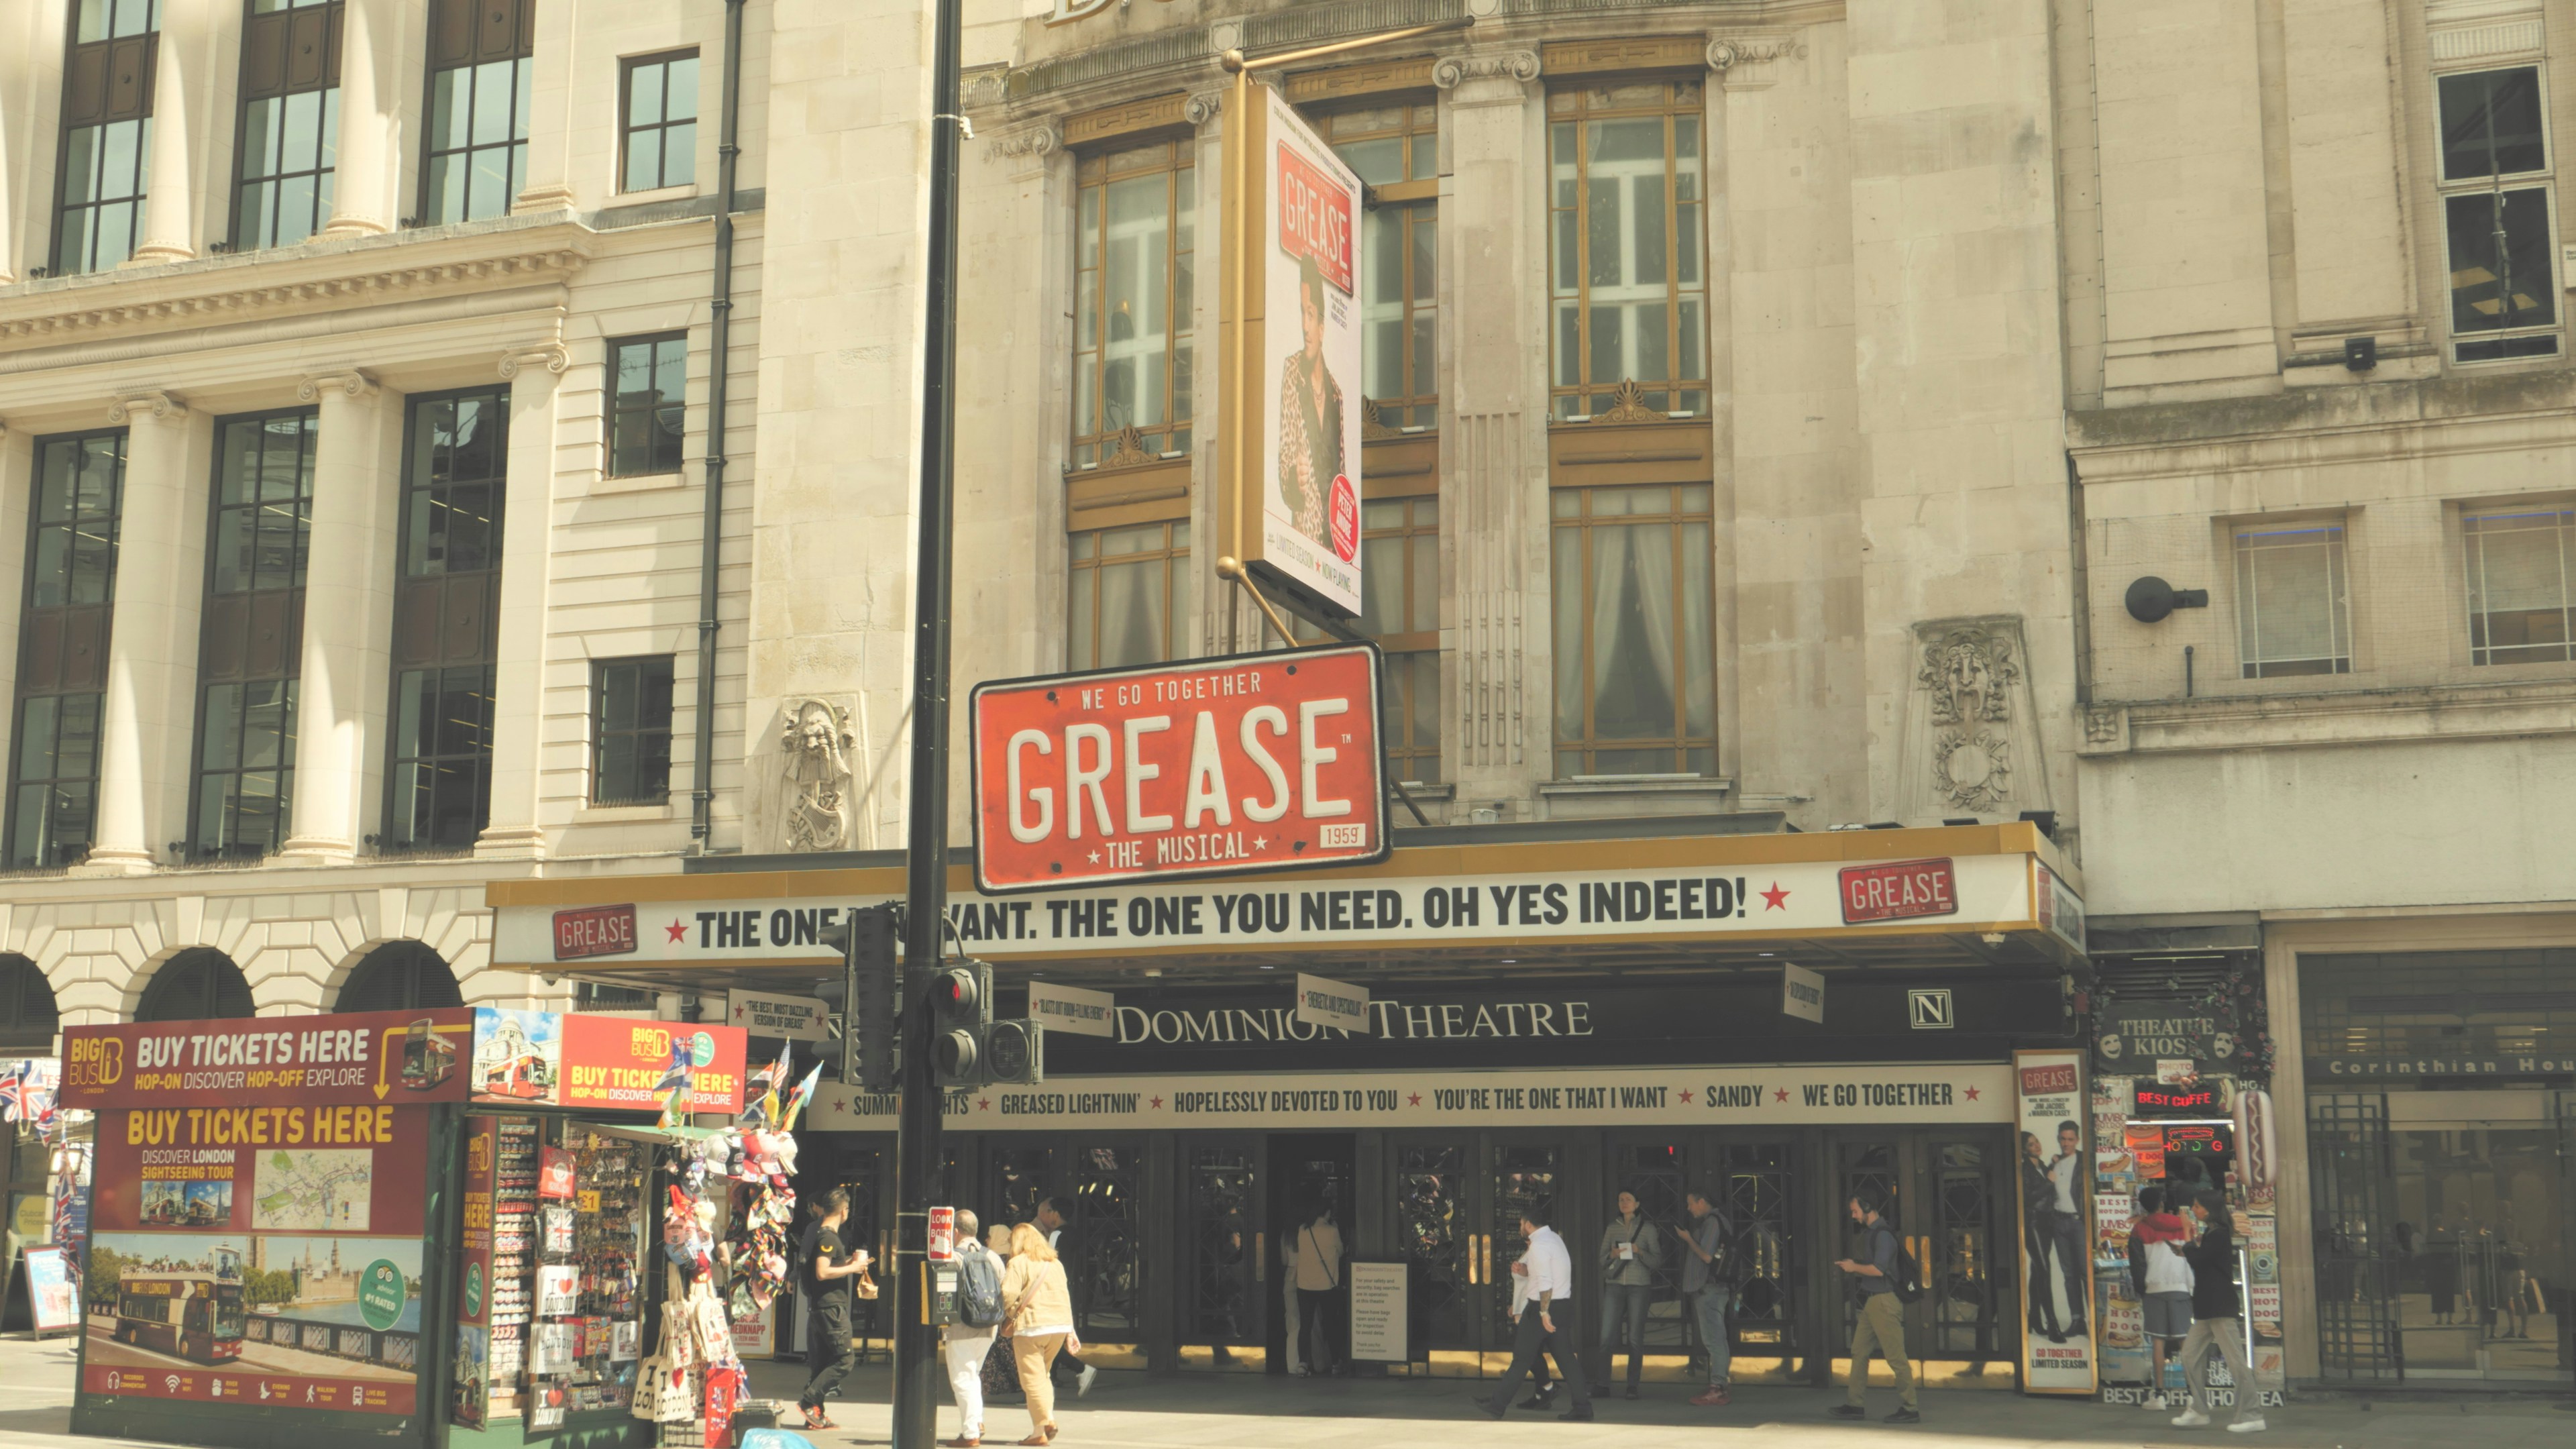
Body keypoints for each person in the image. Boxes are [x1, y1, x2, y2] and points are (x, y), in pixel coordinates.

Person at [1472, 1204, 1593, 1422]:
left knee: (1521, 1358)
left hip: (1542, 1307)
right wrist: (1525, 1276)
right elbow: (1543, 1275)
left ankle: (1497, 1405)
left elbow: (1546, 1282)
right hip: (1563, 1304)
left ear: (1528, 1224)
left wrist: (1544, 1312)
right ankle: (1583, 1407)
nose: (1520, 1228)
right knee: (1567, 1360)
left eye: (1520, 1224)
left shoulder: (1539, 1245)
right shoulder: (1555, 1239)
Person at [2169, 1193, 2265, 1435]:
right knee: (2190, 1355)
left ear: (2208, 1211)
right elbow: (2202, 1259)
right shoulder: (2213, 1234)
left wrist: (2187, 1236)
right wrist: (2189, 1246)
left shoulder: (2220, 1233)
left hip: (2220, 1308)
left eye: (2197, 1205)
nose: (2193, 1208)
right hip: (2206, 1309)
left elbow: (2200, 1260)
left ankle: (2252, 1414)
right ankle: (2199, 1409)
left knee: (2236, 1363)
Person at [1275, 252, 1346, 548]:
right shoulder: (1293, 371)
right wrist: (1295, 478)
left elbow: (1341, 474)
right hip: (1304, 544)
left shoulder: (1337, 393)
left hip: (1333, 547)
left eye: (1311, 314)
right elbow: (1285, 458)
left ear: (1322, 327)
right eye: (1302, 312)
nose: (1305, 326)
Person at [1829, 1191, 1919, 1424]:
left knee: (1896, 1357)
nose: (1853, 1215)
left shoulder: (1883, 1235)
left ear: (1868, 1207)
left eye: (1855, 1210)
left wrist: (1854, 1267)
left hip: (1884, 1301)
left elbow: (1879, 1269)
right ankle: (1854, 1404)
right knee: (1859, 1352)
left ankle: (1911, 1408)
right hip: (1873, 1301)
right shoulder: (1874, 1233)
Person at [798, 1189, 869, 1431]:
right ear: (843, 1211)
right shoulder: (828, 1237)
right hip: (831, 1309)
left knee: (821, 1364)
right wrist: (852, 1268)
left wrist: (849, 1263)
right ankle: (808, 1402)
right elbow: (822, 1272)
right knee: (844, 1360)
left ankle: (815, 1415)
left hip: (819, 1308)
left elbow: (825, 1268)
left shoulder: (820, 1235)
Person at [1002, 1222, 1077, 1446]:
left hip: (1031, 1327)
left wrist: (1011, 1311)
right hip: (1058, 1327)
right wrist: (1070, 1331)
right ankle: (1038, 1434)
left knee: (1031, 1381)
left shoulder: (1018, 1263)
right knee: (1043, 1377)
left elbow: (1007, 1294)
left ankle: (1047, 1421)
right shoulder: (1055, 1264)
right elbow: (1065, 1296)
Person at [2127, 1186, 2194, 1409]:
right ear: (2162, 1203)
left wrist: (2142, 1290)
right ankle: (2192, 1395)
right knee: (2185, 1343)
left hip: (2154, 1288)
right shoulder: (2183, 1224)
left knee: (2158, 1342)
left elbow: (2137, 1264)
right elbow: (2194, 1254)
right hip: (2181, 1286)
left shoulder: (2139, 1229)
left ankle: (2159, 1396)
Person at [1593, 1190, 1662, 1399]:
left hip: (1639, 1286)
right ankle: (1603, 1384)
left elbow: (1657, 1261)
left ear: (1637, 1204)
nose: (1624, 1203)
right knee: (1606, 1337)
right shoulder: (1613, 1227)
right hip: (1614, 1285)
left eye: (1628, 1199)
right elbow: (1601, 1259)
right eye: (1621, 1199)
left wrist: (1639, 1251)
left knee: (1634, 1337)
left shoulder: (1648, 1229)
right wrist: (1612, 1254)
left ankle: (1632, 1385)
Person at [945, 1209, 1003, 1448]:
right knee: (972, 1377)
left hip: (962, 1327)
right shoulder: (993, 1256)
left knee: (962, 1379)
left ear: (955, 1232)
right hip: (989, 1326)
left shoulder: (953, 1257)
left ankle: (970, 1435)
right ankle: (976, 1422)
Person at [1676, 1187, 1734, 1407]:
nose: (1689, 1208)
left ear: (1702, 1202)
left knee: (1714, 1340)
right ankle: (1719, 1385)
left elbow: (1707, 1256)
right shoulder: (1719, 1221)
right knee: (1716, 1338)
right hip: (1713, 1289)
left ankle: (1718, 1388)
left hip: (1709, 1289)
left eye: (1691, 1203)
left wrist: (1688, 1238)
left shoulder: (1712, 1222)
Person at [2046, 1120, 2091, 1340]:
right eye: (2063, 1138)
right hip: (2059, 1222)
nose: (2066, 1143)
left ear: (2077, 1140)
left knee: (2085, 1273)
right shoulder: (2055, 1163)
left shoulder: (2084, 1161)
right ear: (2058, 1139)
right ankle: (2077, 1321)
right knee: (2069, 1275)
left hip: (2078, 1222)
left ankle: (2094, 1321)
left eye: (2070, 1139)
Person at [1294, 1203, 1346, 1376]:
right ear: (1328, 1212)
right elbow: (1340, 1252)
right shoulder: (1332, 1231)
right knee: (1331, 1324)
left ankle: (1302, 1363)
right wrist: (1336, 1228)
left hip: (1304, 1285)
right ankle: (1335, 1363)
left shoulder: (1303, 1230)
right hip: (1326, 1285)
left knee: (1306, 1325)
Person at [981, 1225, 1024, 1409]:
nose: (987, 1240)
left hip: (1000, 1312)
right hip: (1008, 1314)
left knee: (998, 1351)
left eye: (990, 1236)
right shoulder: (1013, 1258)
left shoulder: (994, 1258)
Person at [1279, 1230, 1304, 1375]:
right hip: (1308, 1276)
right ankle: (1319, 1362)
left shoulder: (1285, 1235)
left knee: (1293, 1322)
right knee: (1314, 1321)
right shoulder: (1306, 1231)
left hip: (1290, 1277)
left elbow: (1284, 1261)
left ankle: (1292, 1365)